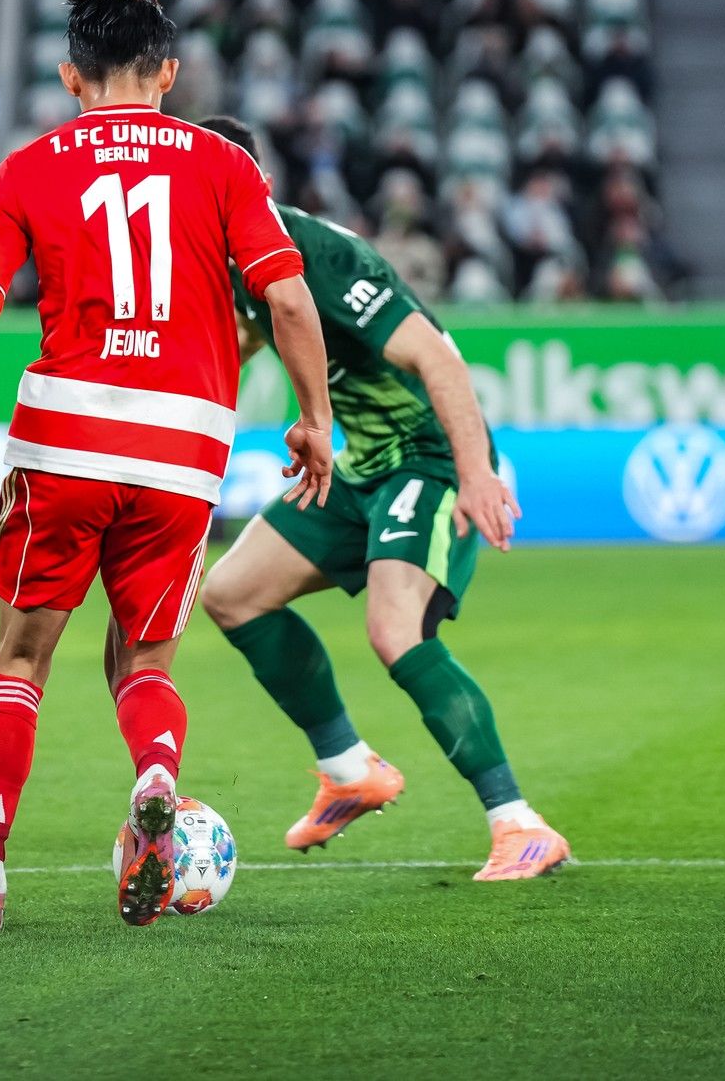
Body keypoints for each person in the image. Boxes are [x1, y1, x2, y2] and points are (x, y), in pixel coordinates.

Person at [0, 0, 335, 932]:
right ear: (172, 74)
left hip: (67, 433)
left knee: (20, 658)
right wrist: (313, 418)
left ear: (71, 77)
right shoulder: (222, 161)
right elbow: (291, 300)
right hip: (184, 449)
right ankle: (156, 771)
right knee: (145, 656)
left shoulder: (28, 165)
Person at [182, 117, 570, 885]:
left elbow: (434, 354)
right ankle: (349, 768)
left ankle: (519, 823)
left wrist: (475, 472)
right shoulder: (225, 257)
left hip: (426, 458)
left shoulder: (321, 255)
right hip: (358, 462)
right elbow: (240, 344)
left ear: (246, 186)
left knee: (395, 629)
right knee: (230, 593)